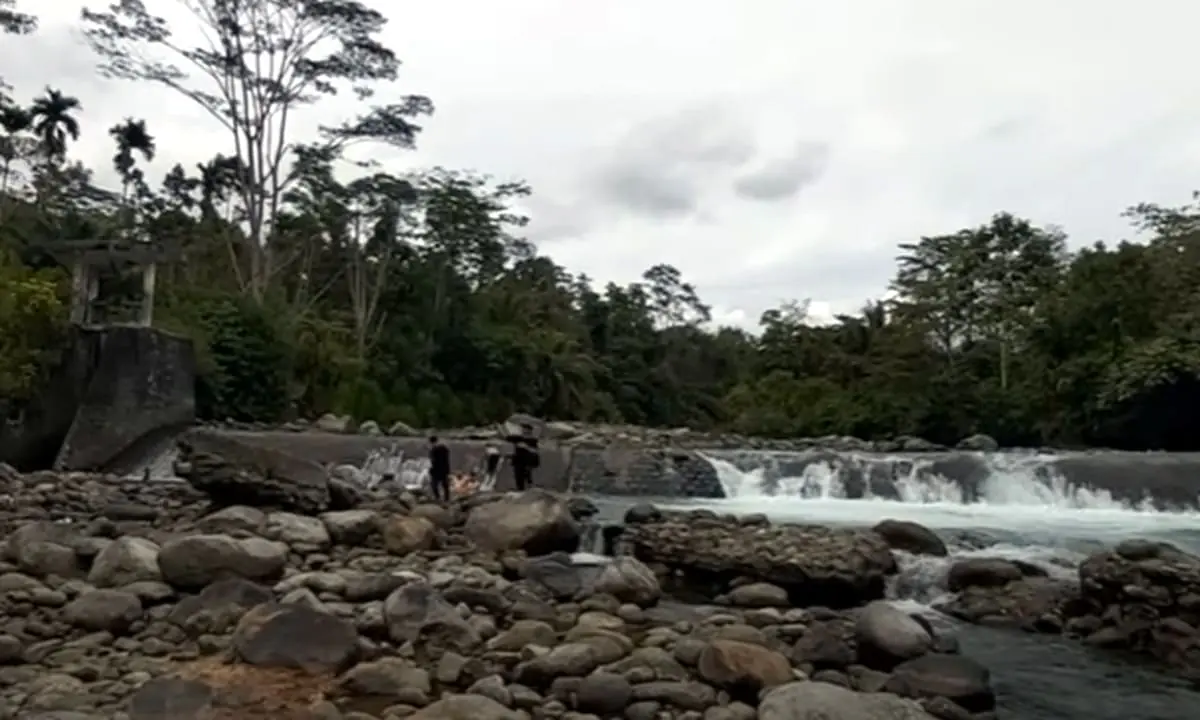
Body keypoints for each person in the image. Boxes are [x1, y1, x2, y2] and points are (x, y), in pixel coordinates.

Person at [509, 423, 540, 491]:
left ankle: (529, 489)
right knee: (518, 476)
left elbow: (535, 451)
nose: (523, 430)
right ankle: (520, 490)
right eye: (523, 428)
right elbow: (506, 438)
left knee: (527, 475)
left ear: (529, 430)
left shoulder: (533, 440)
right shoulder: (517, 438)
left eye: (525, 429)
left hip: (528, 461)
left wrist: (526, 447)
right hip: (517, 460)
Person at [427, 435, 451, 503]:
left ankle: (438, 498)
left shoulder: (433, 450)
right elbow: (446, 460)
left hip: (436, 470)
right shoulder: (444, 448)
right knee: (445, 485)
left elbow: (432, 461)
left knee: (434, 485)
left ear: (431, 442)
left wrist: (430, 470)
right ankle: (447, 499)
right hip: (444, 470)